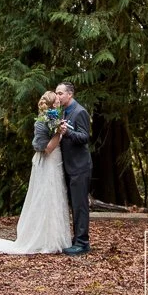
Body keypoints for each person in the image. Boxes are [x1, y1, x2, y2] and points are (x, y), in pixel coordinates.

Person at [0, 91, 71, 254]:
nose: (60, 100)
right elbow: (47, 149)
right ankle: (45, 240)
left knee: (56, 197)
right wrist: (59, 133)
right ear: (54, 104)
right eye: (57, 99)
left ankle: (55, 237)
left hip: (55, 162)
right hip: (48, 163)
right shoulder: (42, 122)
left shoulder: (53, 119)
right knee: (47, 197)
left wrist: (58, 129)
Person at [55, 82, 92, 255]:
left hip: (80, 166)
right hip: (69, 166)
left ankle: (82, 243)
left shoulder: (80, 112)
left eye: (60, 93)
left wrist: (67, 132)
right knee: (73, 205)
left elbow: (84, 137)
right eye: (56, 93)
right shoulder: (63, 112)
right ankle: (76, 238)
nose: (58, 96)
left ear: (70, 94)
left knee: (80, 205)